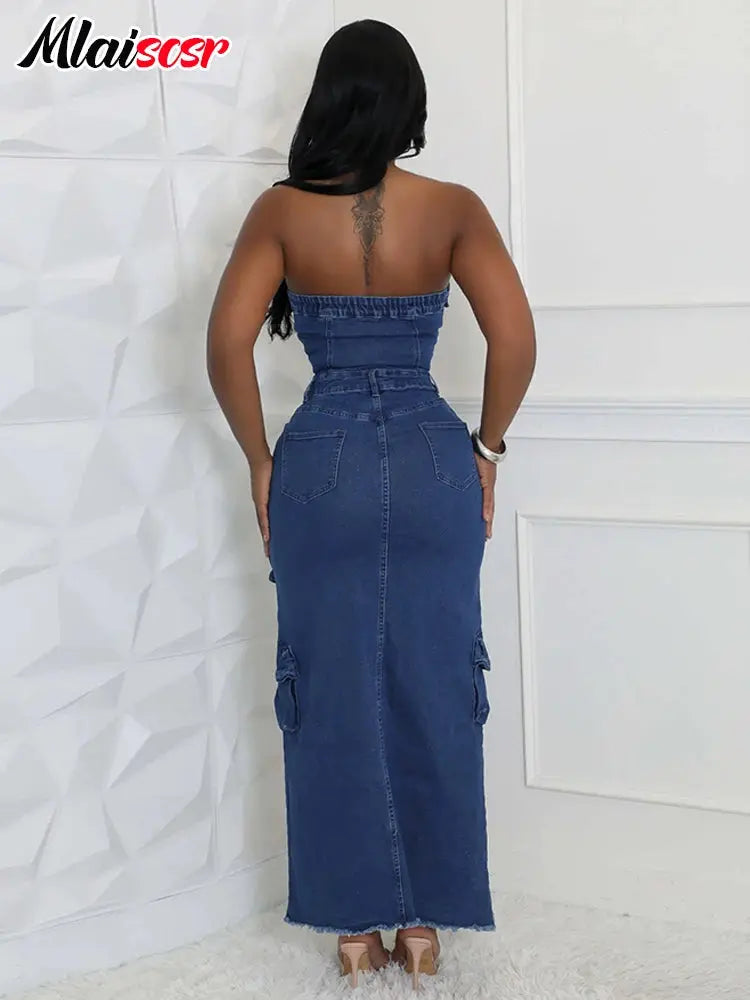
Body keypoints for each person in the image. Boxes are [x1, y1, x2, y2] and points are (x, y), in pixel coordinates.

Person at [206, 18, 536, 990]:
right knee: (437, 682)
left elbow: (225, 344)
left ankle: (354, 930)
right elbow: (516, 340)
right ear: (407, 104)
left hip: (323, 462)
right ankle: (424, 926)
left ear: (329, 99)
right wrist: (487, 448)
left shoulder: (281, 211)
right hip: (433, 462)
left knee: (329, 688)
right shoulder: (453, 208)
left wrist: (260, 460)